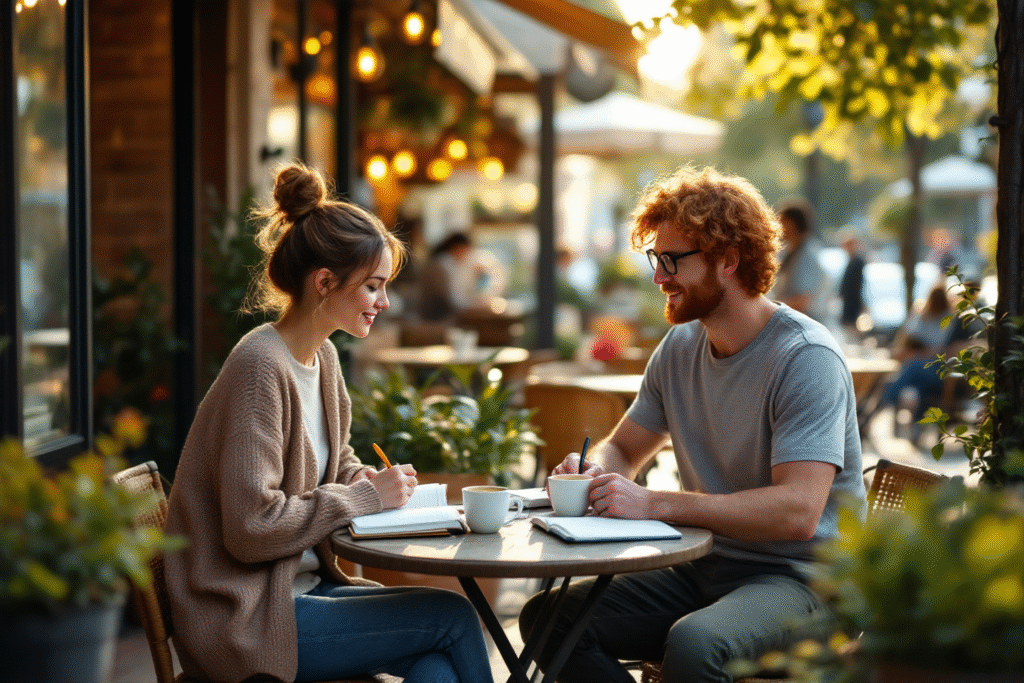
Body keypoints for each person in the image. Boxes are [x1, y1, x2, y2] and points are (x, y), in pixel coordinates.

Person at [518, 165, 866, 683]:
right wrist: (596, 470)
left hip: (804, 581)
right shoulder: (681, 346)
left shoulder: (804, 357)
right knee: (549, 618)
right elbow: (626, 447)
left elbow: (797, 512)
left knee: (694, 644)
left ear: (729, 259)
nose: (659, 277)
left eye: (672, 260)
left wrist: (654, 503)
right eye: (656, 259)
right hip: (706, 567)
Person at [164, 163, 493, 683]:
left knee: (437, 667)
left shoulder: (324, 360)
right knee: (449, 617)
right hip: (248, 617)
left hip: (302, 592)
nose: (384, 303)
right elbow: (251, 529)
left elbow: (334, 465)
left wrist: (360, 478)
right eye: (373, 287)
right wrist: (365, 498)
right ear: (324, 282)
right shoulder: (260, 367)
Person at [418, 231, 507, 322]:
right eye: (466, 250)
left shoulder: (455, 263)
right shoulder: (442, 265)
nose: (467, 255)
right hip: (436, 319)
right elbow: (453, 301)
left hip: (448, 316)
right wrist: (477, 306)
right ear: (456, 247)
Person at [771, 197, 831, 324]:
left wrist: (769, 307)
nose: (777, 225)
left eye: (782, 220)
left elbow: (804, 301)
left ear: (793, 223)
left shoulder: (808, 253)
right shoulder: (790, 251)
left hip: (805, 325)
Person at [837, 229, 866, 335]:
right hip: (848, 304)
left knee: (852, 333)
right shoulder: (851, 261)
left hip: (853, 305)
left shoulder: (858, 262)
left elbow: (856, 286)